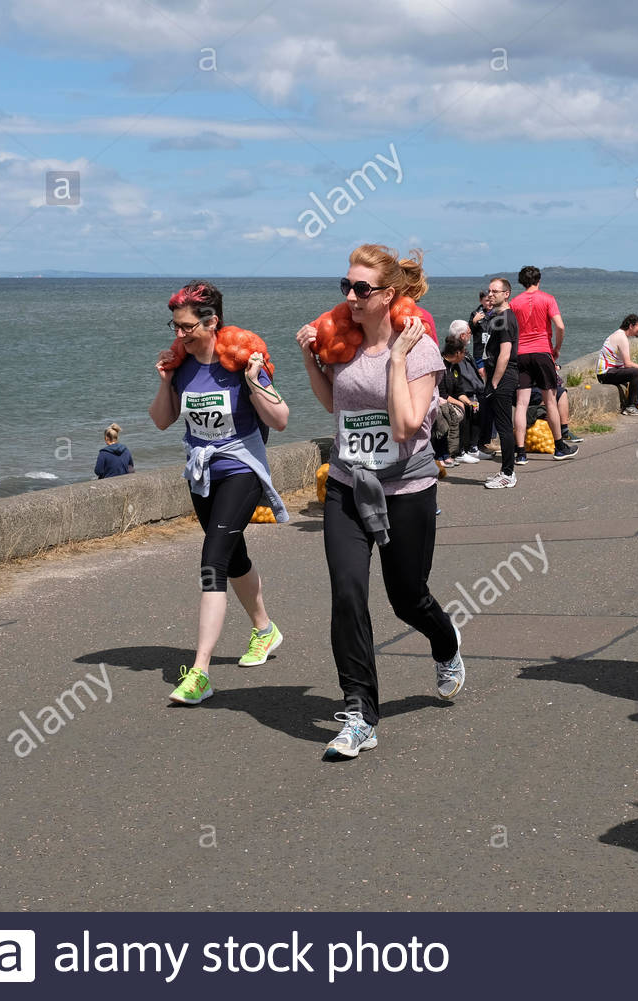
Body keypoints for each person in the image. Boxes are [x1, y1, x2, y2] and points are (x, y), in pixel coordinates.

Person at [295, 244, 463, 760]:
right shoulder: (340, 342)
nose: (349, 296)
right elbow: (333, 405)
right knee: (347, 593)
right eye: (344, 286)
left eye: (361, 289)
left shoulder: (420, 348)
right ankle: (361, 712)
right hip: (348, 485)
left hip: (406, 488)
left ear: (388, 295)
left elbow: (408, 425)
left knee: (407, 597)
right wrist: (310, 357)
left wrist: (393, 359)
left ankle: (445, 642)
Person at [149, 280, 289, 706]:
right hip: (202, 475)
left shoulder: (242, 360)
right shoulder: (183, 366)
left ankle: (201, 672)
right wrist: (164, 379)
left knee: (212, 562)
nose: (179, 335)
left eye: (187, 327)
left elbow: (281, 420)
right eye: (174, 326)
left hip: (241, 469)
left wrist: (254, 381)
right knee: (233, 556)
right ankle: (265, 630)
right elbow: (161, 421)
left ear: (212, 322)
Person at [510, 265, 577, 462]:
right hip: (542, 352)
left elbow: (511, 330)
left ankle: (520, 453)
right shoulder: (548, 299)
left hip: (521, 354)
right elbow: (560, 325)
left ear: (522, 282)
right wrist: (557, 347)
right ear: (539, 280)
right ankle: (559, 447)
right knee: (550, 401)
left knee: (521, 404)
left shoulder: (514, 303)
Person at [481, 276, 520, 488]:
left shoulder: (505, 319)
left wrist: (494, 382)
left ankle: (508, 474)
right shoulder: (501, 316)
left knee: (504, 426)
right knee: (501, 423)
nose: (490, 294)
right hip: (498, 376)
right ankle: (504, 471)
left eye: (495, 291)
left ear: (506, 294)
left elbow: (505, 353)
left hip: (503, 377)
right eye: (489, 291)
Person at [433, 333, 482, 465]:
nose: (464, 355)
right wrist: (459, 403)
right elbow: (442, 393)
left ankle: (462, 450)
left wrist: (468, 402)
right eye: (463, 353)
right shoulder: (441, 365)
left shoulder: (455, 367)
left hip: (450, 401)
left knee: (470, 408)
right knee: (443, 417)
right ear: (457, 353)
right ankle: (441, 454)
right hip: (439, 401)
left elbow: (459, 390)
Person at [597, 314, 638, 415]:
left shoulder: (619, 335)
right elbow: (628, 364)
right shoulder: (621, 337)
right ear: (631, 326)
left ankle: (635, 403)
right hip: (605, 374)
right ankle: (631, 407)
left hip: (609, 372)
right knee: (637, 373)